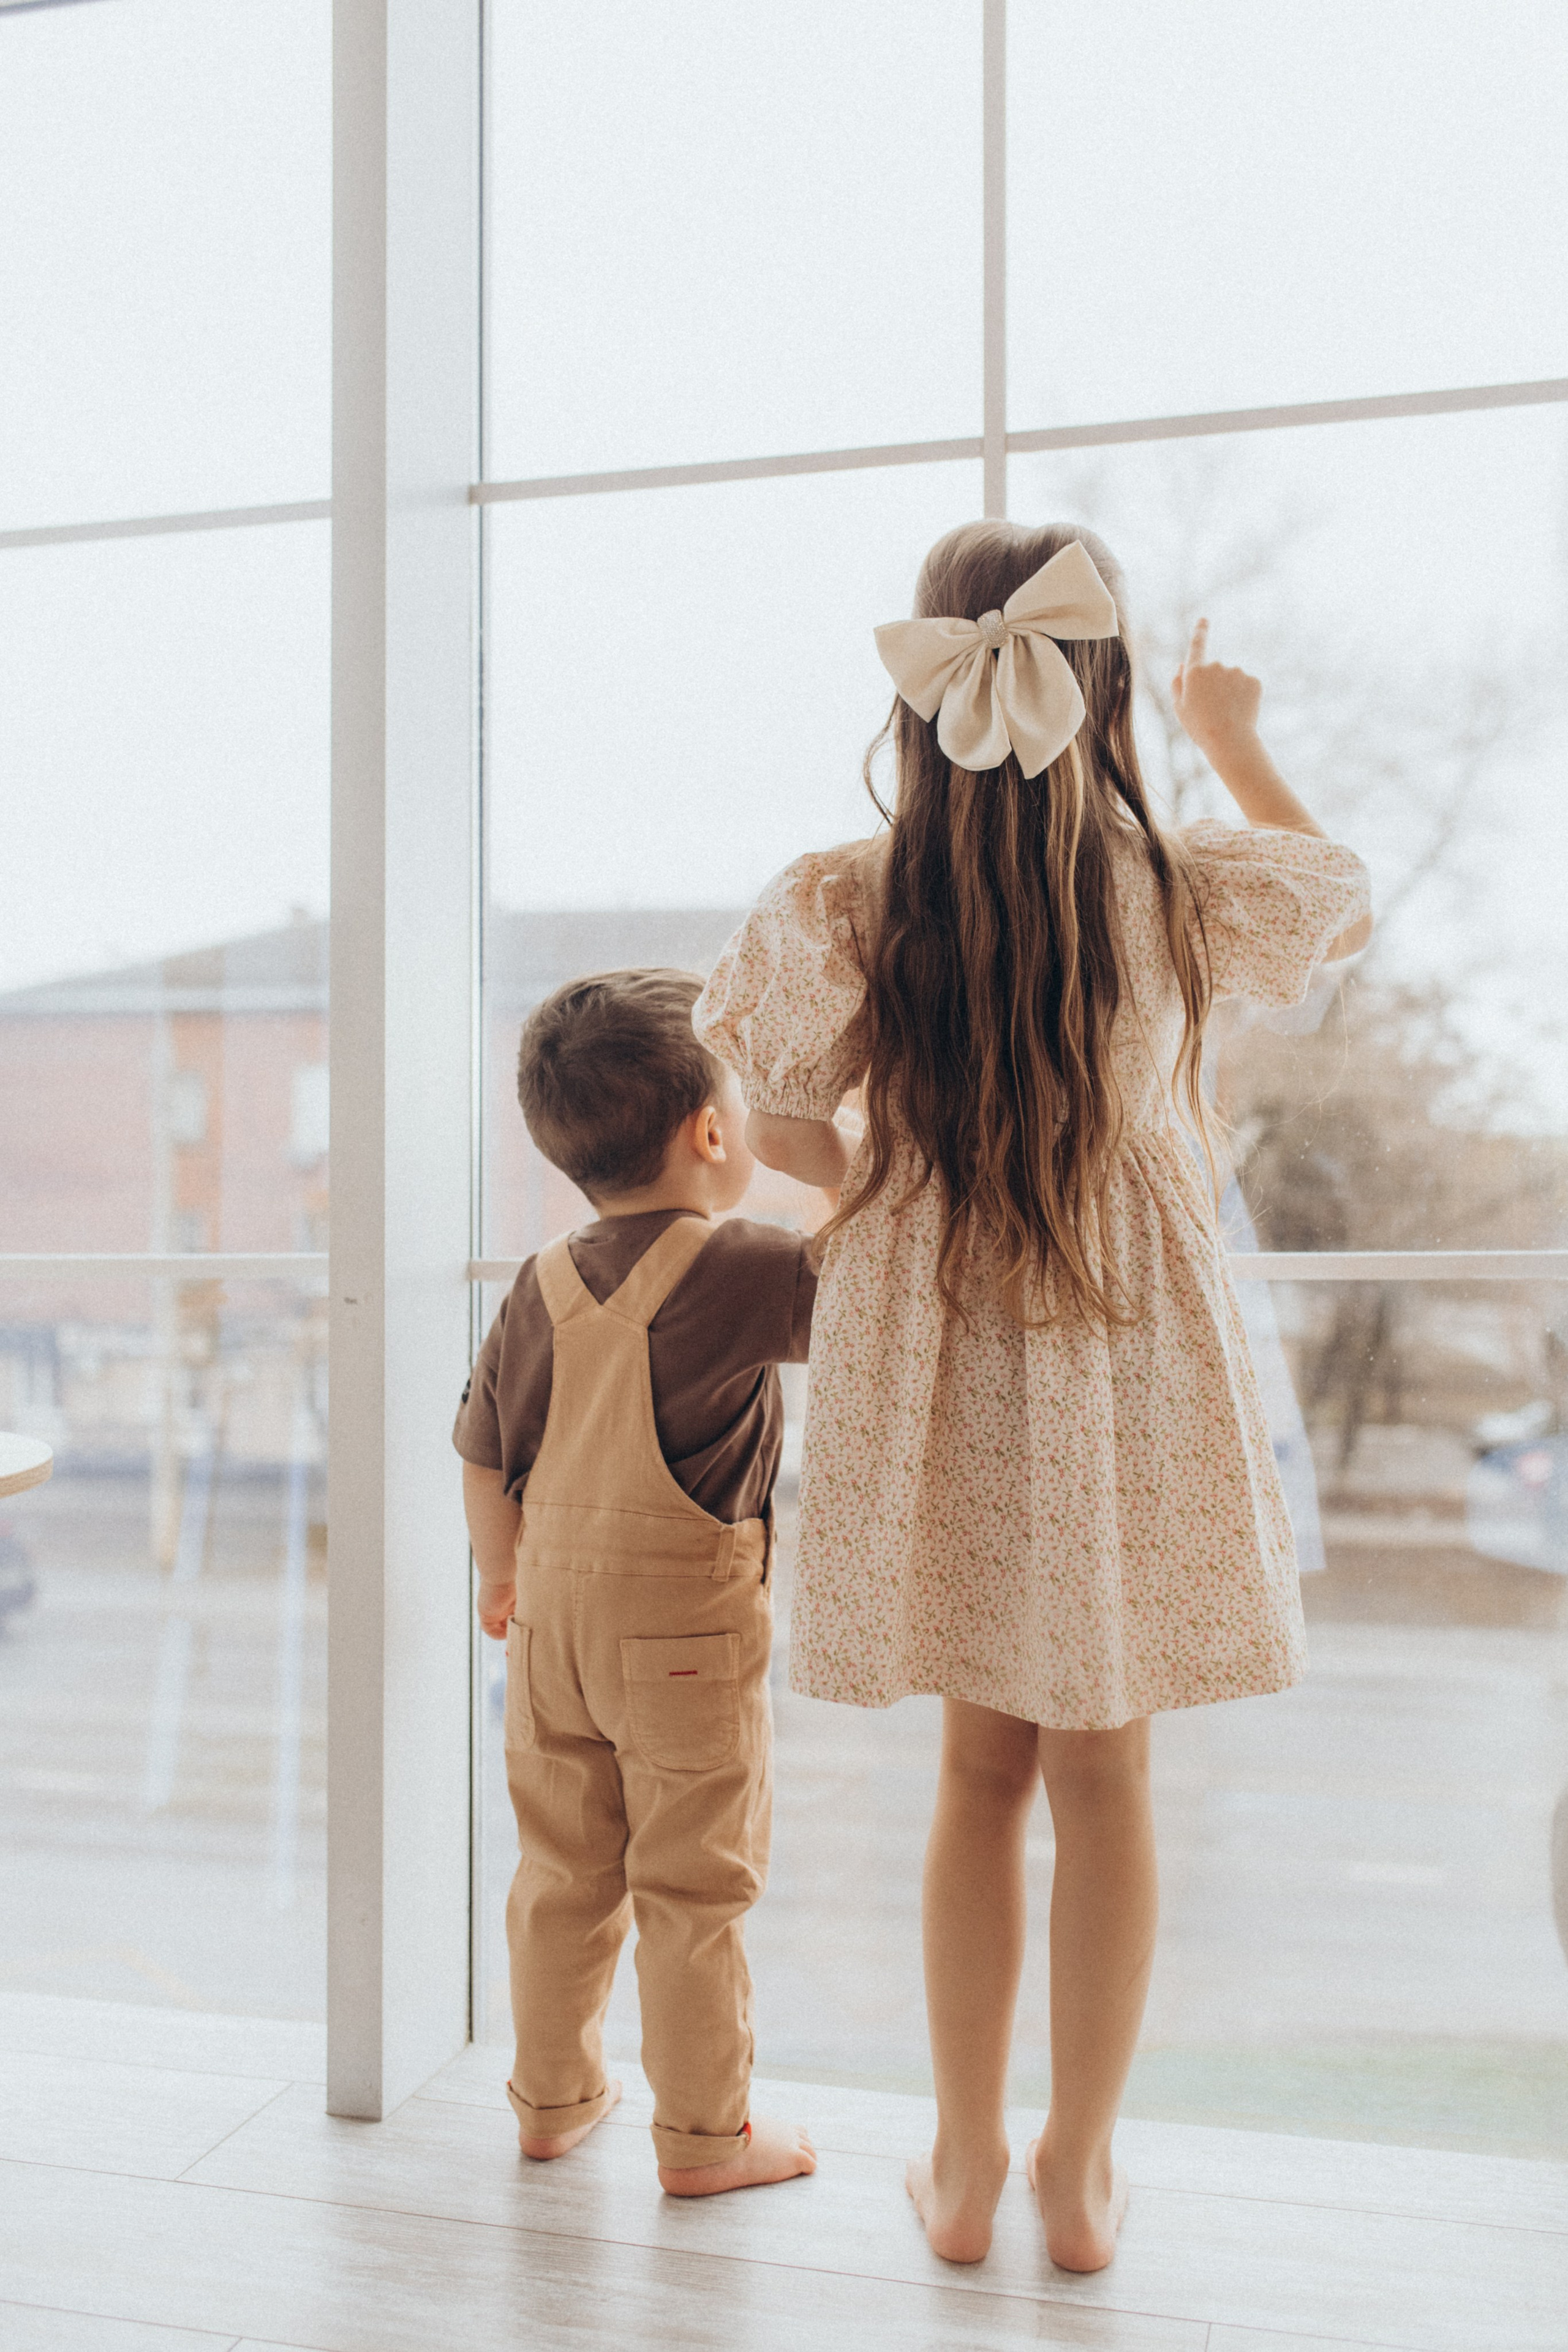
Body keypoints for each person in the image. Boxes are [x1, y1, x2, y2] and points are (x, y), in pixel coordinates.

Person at [693, 523, 1371, 2268]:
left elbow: (766, 1102)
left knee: (977, 1776)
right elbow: (1339, 896)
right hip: (1127, 1344)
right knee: (1108, 1779)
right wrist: (1224, 732)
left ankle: (969, 2163)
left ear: (928, 694)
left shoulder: (847, 893)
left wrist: (862, 1166)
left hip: (939, 1335)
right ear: (1103, 680)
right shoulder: (1172, 885)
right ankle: (1079, 2171)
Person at [454, 967, 819, 2196]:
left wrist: (500, 1579)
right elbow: (883, 1282)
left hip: (547, 1630)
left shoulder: (538, 1281)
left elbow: (482, 1450)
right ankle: (706, 2140)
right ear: (714, 1133)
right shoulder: (744, 1268)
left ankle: (551, 2105)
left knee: (561, 1874)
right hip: (683, 1646)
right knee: (690, 1890)